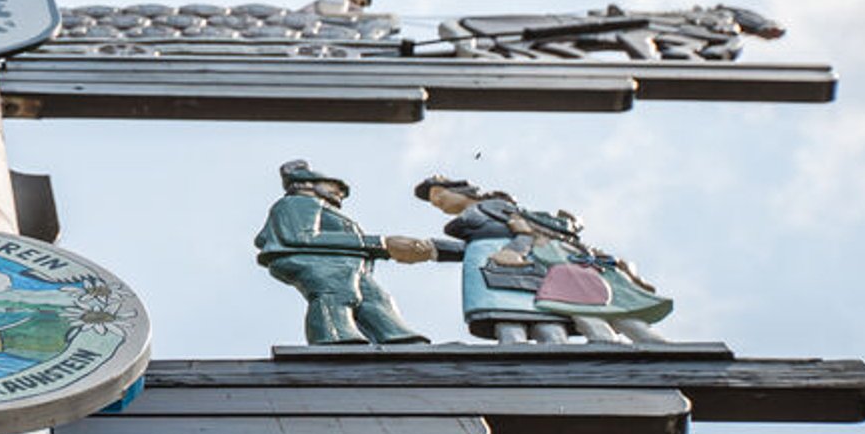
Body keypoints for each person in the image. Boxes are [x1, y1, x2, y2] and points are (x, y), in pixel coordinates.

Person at [414, 175, 672, 344]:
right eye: (434, 200)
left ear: (461, 188)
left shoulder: (491, 207)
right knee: (518, 320)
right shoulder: (479, 217)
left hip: (515, 267)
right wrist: (430, 249)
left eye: (439, 194)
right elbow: (470, 247)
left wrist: (516, 249)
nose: (438, 202)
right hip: (497, 268)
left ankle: (613, 344)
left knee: (556, 315)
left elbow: (523, 230)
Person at [254, 160, 443, 345]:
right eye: (331, 185)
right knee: (338, 292)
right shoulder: (299, 202)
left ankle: (396, 336)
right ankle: (335, 336)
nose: (340, 192)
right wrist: (380, 244)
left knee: (374, 297)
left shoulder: (320, 206)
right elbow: (300, 237)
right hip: (315, 262)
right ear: (307, 184)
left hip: (348, 264)